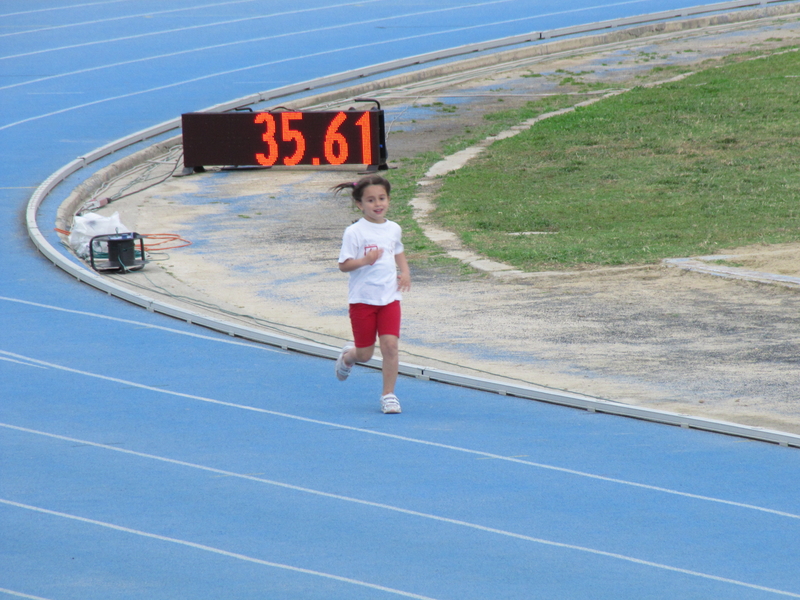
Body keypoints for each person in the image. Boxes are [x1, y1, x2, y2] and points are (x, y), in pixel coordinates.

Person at [333, 175, 411, 414]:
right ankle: (348, 356)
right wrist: (365, 261)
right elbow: (343, 265)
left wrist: (405, 272)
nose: (377, 204)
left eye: (382, 198)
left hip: (389, 298)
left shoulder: (393, 228)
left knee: (390, 346)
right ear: (360, 204)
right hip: (362, 300)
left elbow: (397, 250)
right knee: (365, 354)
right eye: (370, 200)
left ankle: (389, 395)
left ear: (388, 199)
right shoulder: (354, 232)